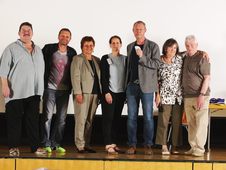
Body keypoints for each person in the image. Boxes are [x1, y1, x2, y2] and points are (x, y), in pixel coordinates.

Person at [0, 22, 46, 156]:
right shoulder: (11, 48)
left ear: (32, 32)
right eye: (23, 30)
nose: (26, 32)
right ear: (19, 33)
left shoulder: (38, 49)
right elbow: (3, 69)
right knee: (14, 121)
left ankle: (35, 147)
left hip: (35, 92)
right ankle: (13, 147)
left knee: (33, 121)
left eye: (29, 30)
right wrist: (4, 86)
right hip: (16, 92)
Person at [125, 21, 161, 155]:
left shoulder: (153, 46)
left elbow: (157, 64)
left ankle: (148, 145)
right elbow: (129, 67)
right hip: (132, 86)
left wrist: (142, 57)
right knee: (131, 117)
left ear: (145, 30)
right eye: (136, 29)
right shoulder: (129, 47)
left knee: (148, 117)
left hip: (147, 87)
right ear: (133, 30)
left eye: (141, 29)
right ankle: (132, 144)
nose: (138, 31)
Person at [41, 28, 77, 153]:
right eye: (63, 36)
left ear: (70, 39)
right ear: (58, 36)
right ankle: (46, 143)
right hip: (49, 88)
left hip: (65, 90)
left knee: (61, 119)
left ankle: (56, 143)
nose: (65, 38)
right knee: (47, 117)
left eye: (67, 36)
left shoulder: (72, 52)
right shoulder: (48, 49)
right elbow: (40, 64)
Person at [71, 36, 101, 153]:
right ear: (82, 47)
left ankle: (86, 144)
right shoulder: (77, 59)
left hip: (94, 94)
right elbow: (75, 76)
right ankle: (79, 145)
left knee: (89, 120)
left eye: (91, 45)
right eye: (86, 45)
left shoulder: (96, 59)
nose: (89, 47)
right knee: (81, 119)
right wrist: (78, 92)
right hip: (82, 93)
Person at [182, 35, 210, 157]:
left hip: (201, 96)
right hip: (187, 96)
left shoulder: (202, 58)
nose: (190, 48)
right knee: (191, 123)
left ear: (197, 46)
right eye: (187, 45)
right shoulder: (183, 56)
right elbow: (172, 52)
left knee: (201, 123)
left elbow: (207, 78)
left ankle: (200, 148)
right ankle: (193, 147)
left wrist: (202, 95)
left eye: (192, 45)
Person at [155, 38, 183, 155]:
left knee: (177, 122)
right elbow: (156, 80)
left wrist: (203, 52)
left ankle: (174, 145)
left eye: (175, 48)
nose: (173, 50)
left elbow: (193, 50)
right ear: (166, 48)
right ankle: (164, 145)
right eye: (171, 47)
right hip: (164, 95)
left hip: (178, 95)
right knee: (163, 121)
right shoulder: (159, 61)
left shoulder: (180, 59)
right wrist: (157, 95)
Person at [100, 35, 127, 154]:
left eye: (118, 43)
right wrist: (106, 92)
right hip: (109, 93)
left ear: (121, 44)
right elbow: (103, 77)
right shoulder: (105, 58)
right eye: (113, 43)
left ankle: (114, 143)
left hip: (121, 93)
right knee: (108, 118)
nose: (115, 45)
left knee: (116, 119)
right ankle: (108, 143)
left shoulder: (125, 59)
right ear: (110, 45)